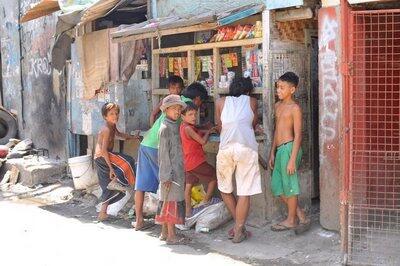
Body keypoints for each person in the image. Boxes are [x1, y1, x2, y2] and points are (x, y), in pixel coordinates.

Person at [133, 82, 208, 231]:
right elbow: (188, 125)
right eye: (200, 103)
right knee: (169, 186)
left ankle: (139, 220)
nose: (197, 110)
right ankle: (170, 228)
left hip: (147, 142)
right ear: (197, 99)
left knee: (141, 185)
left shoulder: (173, 101)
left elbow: (156, 115)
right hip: (160, 147)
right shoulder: (184, 105)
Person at [214, 77, 262, 243]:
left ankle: (238, 227)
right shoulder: (252, 101)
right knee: (244, 191)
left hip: (226, 148)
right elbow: (253, 124)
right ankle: (239, 228)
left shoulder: (220, 102)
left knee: (225, 189)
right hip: (246, 149)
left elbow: (219, 126)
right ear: (248, 91)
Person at [268, 72, 310, 232]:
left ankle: (291, 220)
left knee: (290, 187)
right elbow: (276, 131)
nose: (278, 90)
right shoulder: (278, 106)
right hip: (279, 150)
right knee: (276, 187)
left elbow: (299, 135)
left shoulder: (295, 108)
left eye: (282, 87)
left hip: (289, 149)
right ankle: (299, 213)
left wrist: (292, 159)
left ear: (292, 90)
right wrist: (272, 152)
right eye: (277, 87)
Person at [94, 102, 139, 221]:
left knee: (108, 187)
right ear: (105, 116)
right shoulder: (106, 129)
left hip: (101, 157)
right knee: (128, 161)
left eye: (117, 113)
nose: (115, 116)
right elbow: (103, 150)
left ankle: (102, 213)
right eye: (111, 114)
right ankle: (117, 180)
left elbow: (119, 134)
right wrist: (112, 168)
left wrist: (133, 137)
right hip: (103, 156)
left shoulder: (112, 126)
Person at [155, 94, 188, 245]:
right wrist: (166, 176)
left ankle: (164, 233)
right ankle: (171, 235)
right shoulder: (165, 128)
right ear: (166, 110)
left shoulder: (175, 125)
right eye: (173, 108)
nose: (177, 111)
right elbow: (163, 155)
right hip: (170, 174)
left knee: (169, 200)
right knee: (171, 202)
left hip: (177, 170)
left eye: (178, 108)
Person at [180, 102, 217, 218]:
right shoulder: (188, 129)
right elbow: (202, 141)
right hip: (196, 162)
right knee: (214, 176)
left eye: (195, 114)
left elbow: (197, 131)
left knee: (188, 186)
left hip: (187, 162)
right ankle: (206, 200)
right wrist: (208, 132)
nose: (194, 117)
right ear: (182, 116)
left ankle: (188, 211)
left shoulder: (183, 126)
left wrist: (204, 129)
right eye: (190, 114)